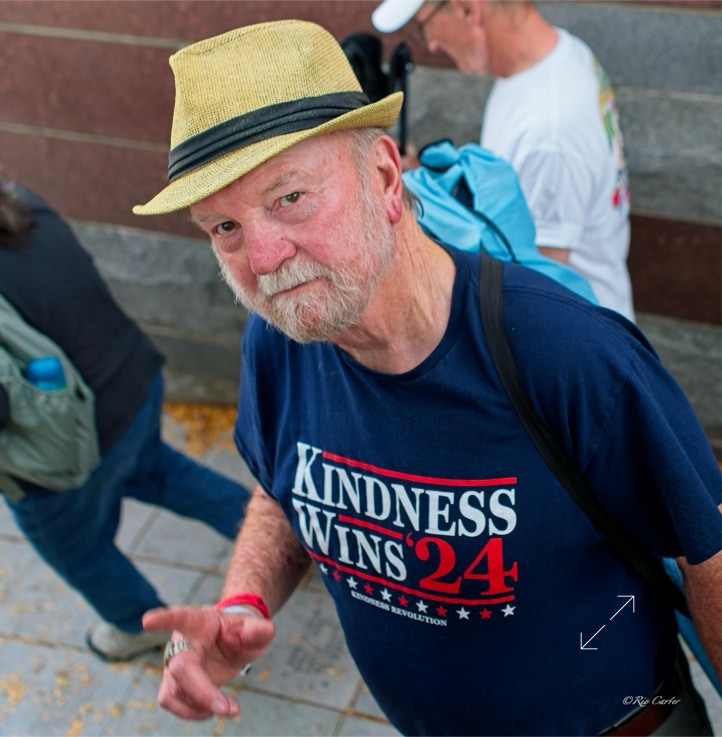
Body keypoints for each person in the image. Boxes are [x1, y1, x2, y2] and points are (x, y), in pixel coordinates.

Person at [135, 20, 720, 736]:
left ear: (385, 178)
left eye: (289, 198)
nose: (262, 259)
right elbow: (285, 487)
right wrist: (241, 604)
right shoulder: (281, 339)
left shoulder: (564, 352)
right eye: (223, 227)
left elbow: (709, 552)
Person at [0, 180, 251, 661]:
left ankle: (139, 626)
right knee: (163, 473)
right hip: (133, 381)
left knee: (79, 551)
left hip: (68, 452)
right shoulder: (21, 202)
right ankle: (281, 542)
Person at [372, 0, 636, 322]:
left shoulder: (548, 133)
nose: (432, 44)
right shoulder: (564, 54)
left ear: (466, 9)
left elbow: (536, 288)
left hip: (578, 335)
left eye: (424, 26)